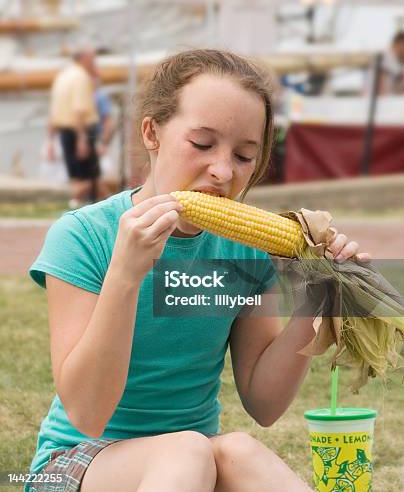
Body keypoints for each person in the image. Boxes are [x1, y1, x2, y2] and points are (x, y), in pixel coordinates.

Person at [26, 49, 370, 492]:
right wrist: (126, 275)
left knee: (236, 449)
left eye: (245, 156)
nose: (222, 171)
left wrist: (318, 300)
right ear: (152, 132)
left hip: (197, 467)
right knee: (187, 448)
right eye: (202, 145)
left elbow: (264, 403)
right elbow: (88, 412)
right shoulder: (82, 236)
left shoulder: (244, 252)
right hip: (75, 463)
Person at [47, 48, 101, 208]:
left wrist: (50, 140)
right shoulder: (81, 77)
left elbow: (53, 111)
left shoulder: (63, 76)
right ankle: (85, 204)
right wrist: (82, 139)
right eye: (92, 59)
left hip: (65, 131)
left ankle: (77, 203)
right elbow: (79, 109)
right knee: (91, 176)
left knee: (76, 174)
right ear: (84, 59)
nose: (94, 63)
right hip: (80, 131)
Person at [377, 31, 404, 95]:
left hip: (391, 99)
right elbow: (380, 86)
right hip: (382, 100)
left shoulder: (398, 60)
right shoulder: (384, 58)